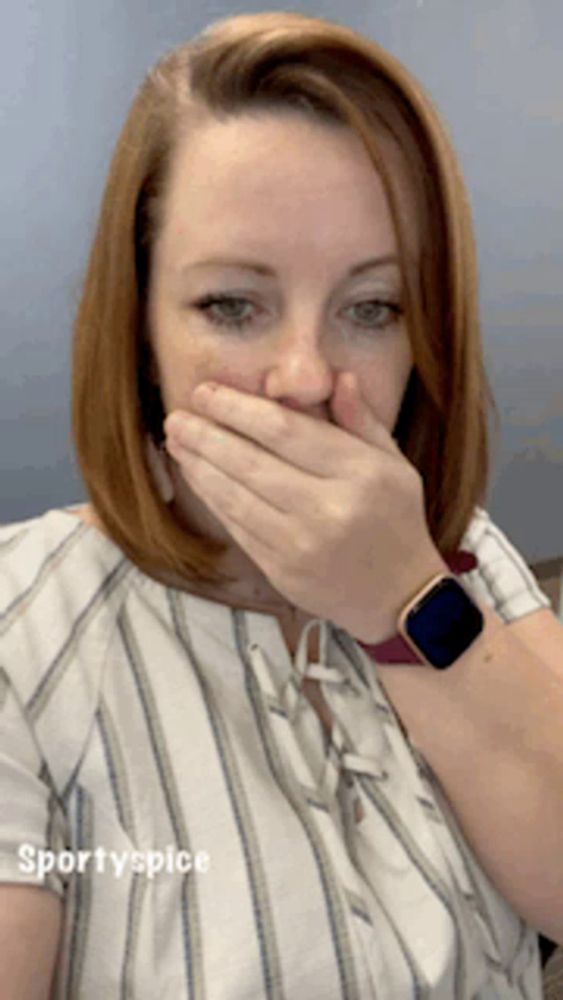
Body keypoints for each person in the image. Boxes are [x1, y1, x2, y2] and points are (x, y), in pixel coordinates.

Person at [1, 10, 562, 998]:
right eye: (231, 305)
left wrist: (404, 600)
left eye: (371, 308)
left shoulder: (462, 551)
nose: (303, 378)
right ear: (139, 332)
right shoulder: (20, 633)